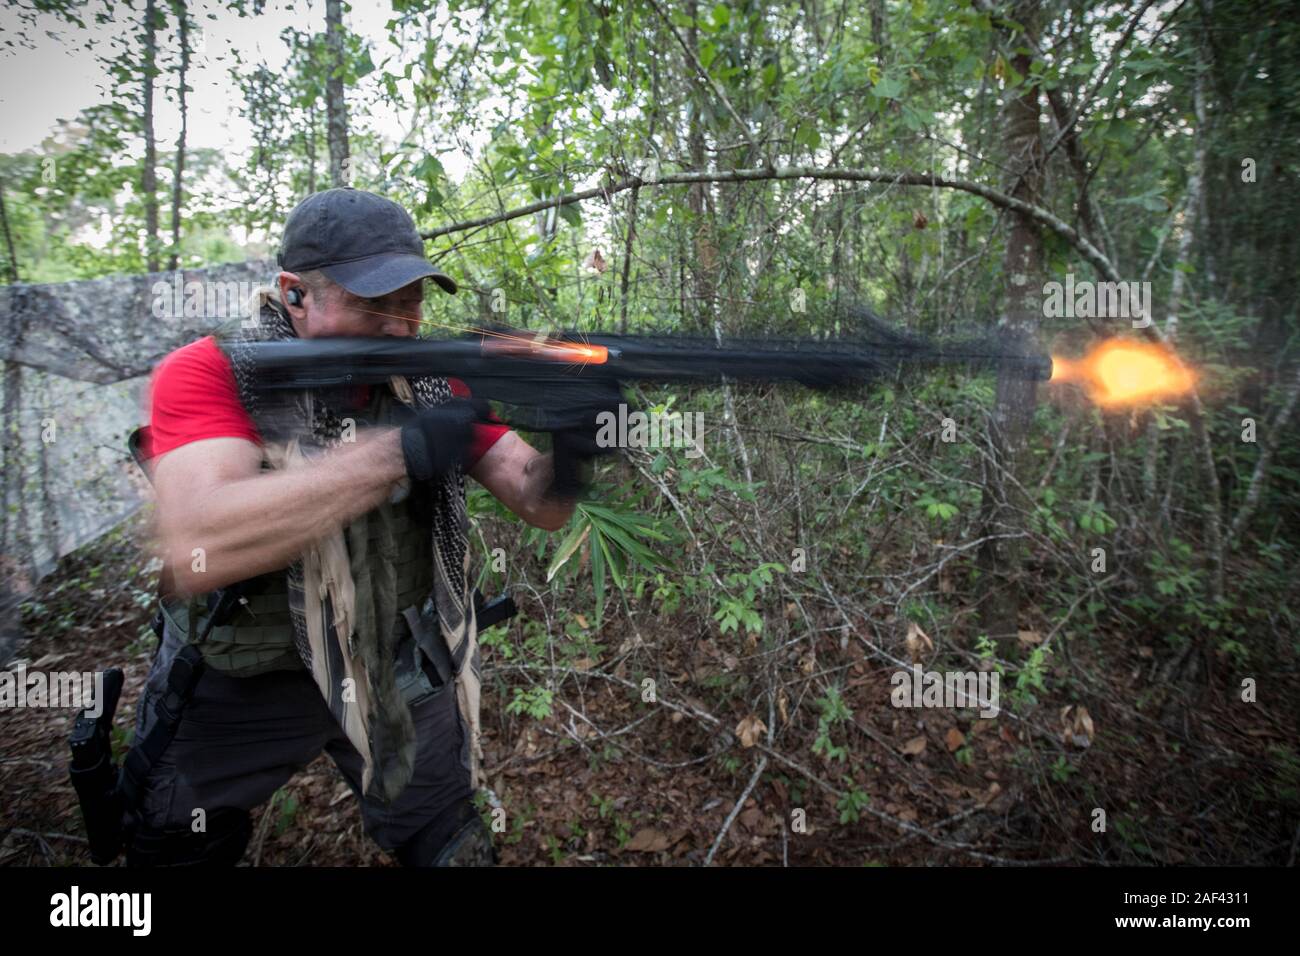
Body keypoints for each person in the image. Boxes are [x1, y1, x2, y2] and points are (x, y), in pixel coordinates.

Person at [124, 187, 615, 866]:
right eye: (373, 302)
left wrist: (578, 438)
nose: (399, 324)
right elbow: (199, 539)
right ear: (294, 294)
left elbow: (538, 500)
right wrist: (398, 453)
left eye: (411, 300)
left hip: (394, 664)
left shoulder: (435, 380)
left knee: (449, 841)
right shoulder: (214, 372)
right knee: (172, 842)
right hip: (244, 679)